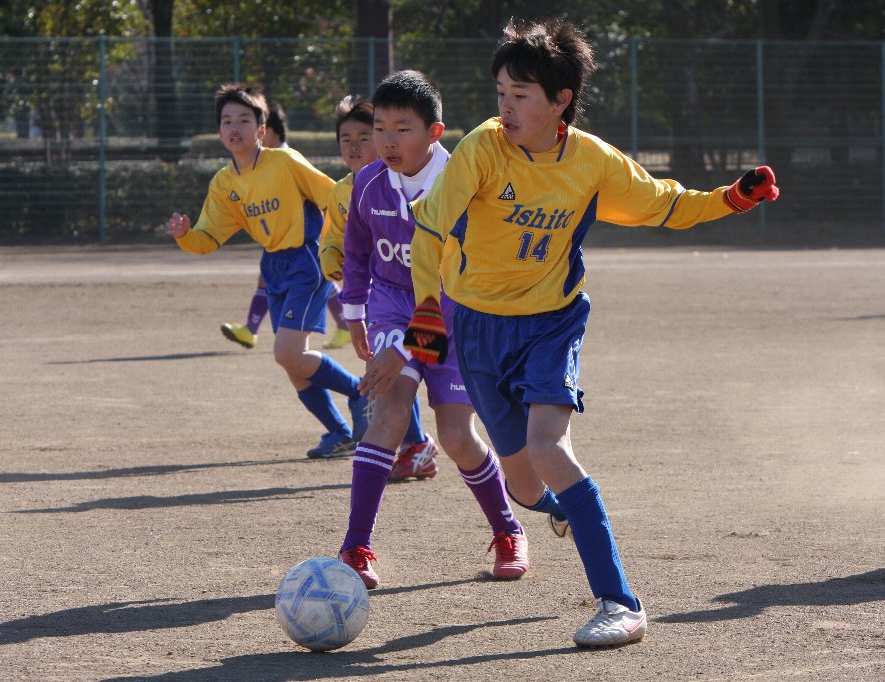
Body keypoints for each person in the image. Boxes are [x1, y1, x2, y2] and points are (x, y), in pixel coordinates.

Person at [405, 19, 779, 647]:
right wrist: (426, 310)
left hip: (552, 321)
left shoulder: (591, 162)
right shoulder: (482, 148)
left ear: (561, 101)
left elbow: (662, 202)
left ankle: (620, 603)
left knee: (550, 450)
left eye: (521, 94)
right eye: (500, 92)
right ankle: (563, 511)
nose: (505, 106)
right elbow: (432, 227)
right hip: (475, 326)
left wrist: (730, 198)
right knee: (525, 484)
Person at [335, 70, 529, 589]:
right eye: (379, 128)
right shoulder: (367, 183)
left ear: (435, 132)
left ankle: (508, 530)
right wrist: (355, 315)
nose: (387, 141)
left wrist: (403, 349)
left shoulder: (464, 184)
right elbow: (357, 253)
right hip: (392, 305)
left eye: (402, 129)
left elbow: (462, 281)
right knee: (389, 412)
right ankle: (356, 546)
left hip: (455, 310)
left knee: (457, 437)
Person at [166, 84, 369, 459]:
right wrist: (185, 235)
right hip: (274, 265)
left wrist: (342, 244)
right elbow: (208, 237)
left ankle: (360, 392)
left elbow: (333, 196)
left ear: (262, 129)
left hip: (307, 259)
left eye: (244, 119)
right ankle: (340, 432)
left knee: (287, 353)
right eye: (227, 121)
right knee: (293, 362)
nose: (235, 127)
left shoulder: (285, 161)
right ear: (219, 131)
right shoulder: (224, 183)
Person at [319, 95, 441, 481]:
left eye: (363, 136)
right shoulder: (347, 189)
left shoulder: (444, 180)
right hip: (383, 295)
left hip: (440, 301)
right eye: (346, 139)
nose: (355, 146)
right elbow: (339, 242)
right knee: (390, 381)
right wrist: (332, 262)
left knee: (458, 424)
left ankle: (421, 443)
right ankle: (414, 443)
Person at [220, 100, 354, 350]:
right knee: (301, 280)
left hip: (303, 243)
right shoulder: (258, 164)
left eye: (253, 125)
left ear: (268, 130)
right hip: (279, 247)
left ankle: (252, 329)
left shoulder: (284, 159)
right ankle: (342, 325)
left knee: (315, 279)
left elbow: (326, 194)